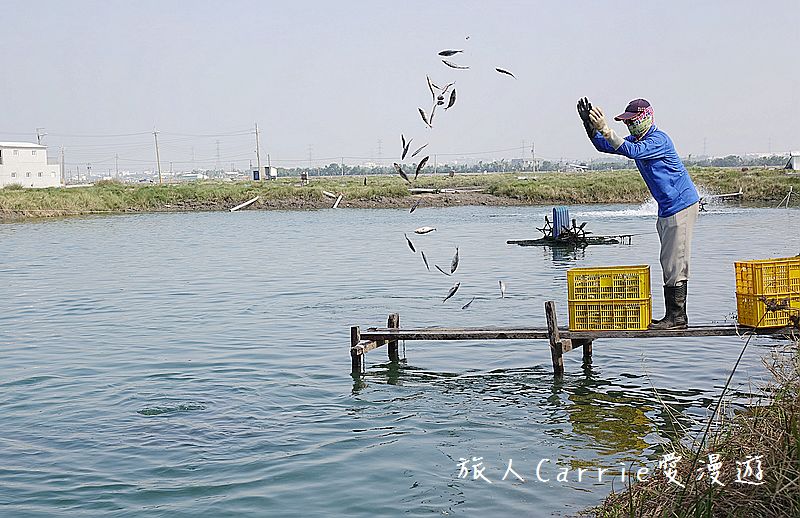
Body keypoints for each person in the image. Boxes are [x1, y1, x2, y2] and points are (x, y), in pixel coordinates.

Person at [577, 97, 700, 330]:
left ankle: (677, 318)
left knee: (676, 261)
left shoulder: (658, 140)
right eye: (627, 123)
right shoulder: (637, 138)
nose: (630, 126)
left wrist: (605, 128)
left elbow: (631, 151)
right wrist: (589, 126)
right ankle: (673, 316)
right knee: (668, 260)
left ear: (646, 118)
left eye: (633, 121)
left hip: (681, 205)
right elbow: (604, 145)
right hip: (666, 208)